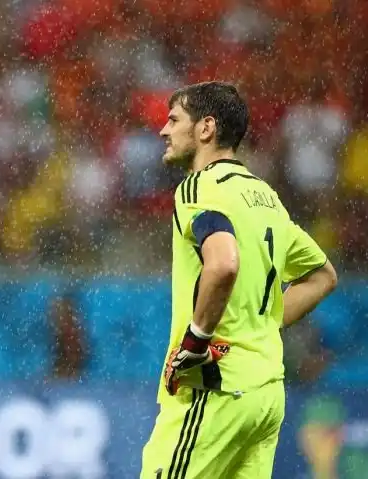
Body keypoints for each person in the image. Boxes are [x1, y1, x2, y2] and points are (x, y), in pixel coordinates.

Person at [139, 81, 338, 479]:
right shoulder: (266, 197)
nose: (163, 130)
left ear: (206, 128)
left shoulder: (198, 188)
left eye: (174, 120)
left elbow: (223, 263)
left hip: (215, 389)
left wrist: (196, 342)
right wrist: (260, 327)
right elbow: (321, 276)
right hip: (265, 394)